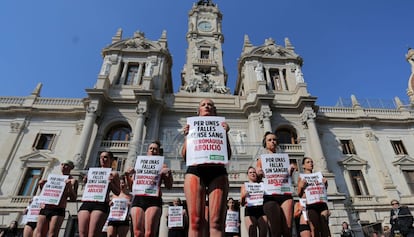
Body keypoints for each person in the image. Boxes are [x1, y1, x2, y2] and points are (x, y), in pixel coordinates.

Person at [182, 98, 231, 237]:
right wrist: (187, 136)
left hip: (217, 172)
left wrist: (225, 134)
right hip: (195, 172)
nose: (207, 106)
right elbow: (185, 156)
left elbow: (228, 155)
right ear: (199, 111)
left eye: (210, 105)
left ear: (214, 110)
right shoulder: (191, 127)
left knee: (216, 222)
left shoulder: (221, 126)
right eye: (203, 105)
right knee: (195, 221)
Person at [126, 141, 173, 237]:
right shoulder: (139, 164)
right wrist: (127, 175)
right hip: (138, 199)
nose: (153, 150)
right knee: (137, 233)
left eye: (155, 149)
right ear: (147, 151)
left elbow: (169, 186)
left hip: (154, 200)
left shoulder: (162, 166)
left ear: (158, 152)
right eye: (151, 148)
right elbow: (131, 187)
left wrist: (168, 175)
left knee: (149, 233)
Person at [256, 131, 295, 237]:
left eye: (274, 140)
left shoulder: (284, 158)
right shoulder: (261, 159)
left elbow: (288, 176)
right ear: (265, 143)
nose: (273, 142)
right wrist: (259, 173)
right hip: (270, 196)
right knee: (275, 231)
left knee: (288, 230)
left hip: (285, 195)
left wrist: (290, 170)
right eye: (270, 140)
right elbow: (258, 178)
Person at [78, 151, 121, 237]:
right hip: (87, 202)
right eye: (101, 157)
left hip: (101, 204)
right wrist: (86, 182)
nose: (103, 159)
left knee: (93, 234)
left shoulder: (114, 174)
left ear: (111, 159)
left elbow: (118, 192)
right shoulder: (92, 172)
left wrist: (111, 183)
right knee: (82, 234)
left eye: (105, 157)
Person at [34, 160, 78, 237]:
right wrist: (41, 186)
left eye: (66, 165)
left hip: (58, 209)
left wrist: (69, 187)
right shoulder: (53, 178)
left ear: (71, 168)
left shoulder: (72, 181)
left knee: (52, 234)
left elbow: (73, 199)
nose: (63, 166)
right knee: (39, 234)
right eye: (62, 164)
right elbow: (44, 194)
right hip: (46, 207)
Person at [297, 157, 331, 237]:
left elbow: (323, 191)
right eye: (308, 162)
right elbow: (299, 194)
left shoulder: (319, 175)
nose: (311, 164)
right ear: (303, 166)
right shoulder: (301, 177)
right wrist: (301, 186)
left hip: (322, 204)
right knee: (314, 229)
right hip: (310, 205)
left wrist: (325, 184)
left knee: (325, 227)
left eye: (311, 162)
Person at [240, 167, 267, 237]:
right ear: (247, 175)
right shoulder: (244, 186)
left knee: (263, 232)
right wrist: (243, 197)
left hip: (261, 209)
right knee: (252, 232)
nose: (252, 174)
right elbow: (242, 204)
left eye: (254, 172)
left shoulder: (262, 184)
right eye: (250, 172)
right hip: (250, 209)